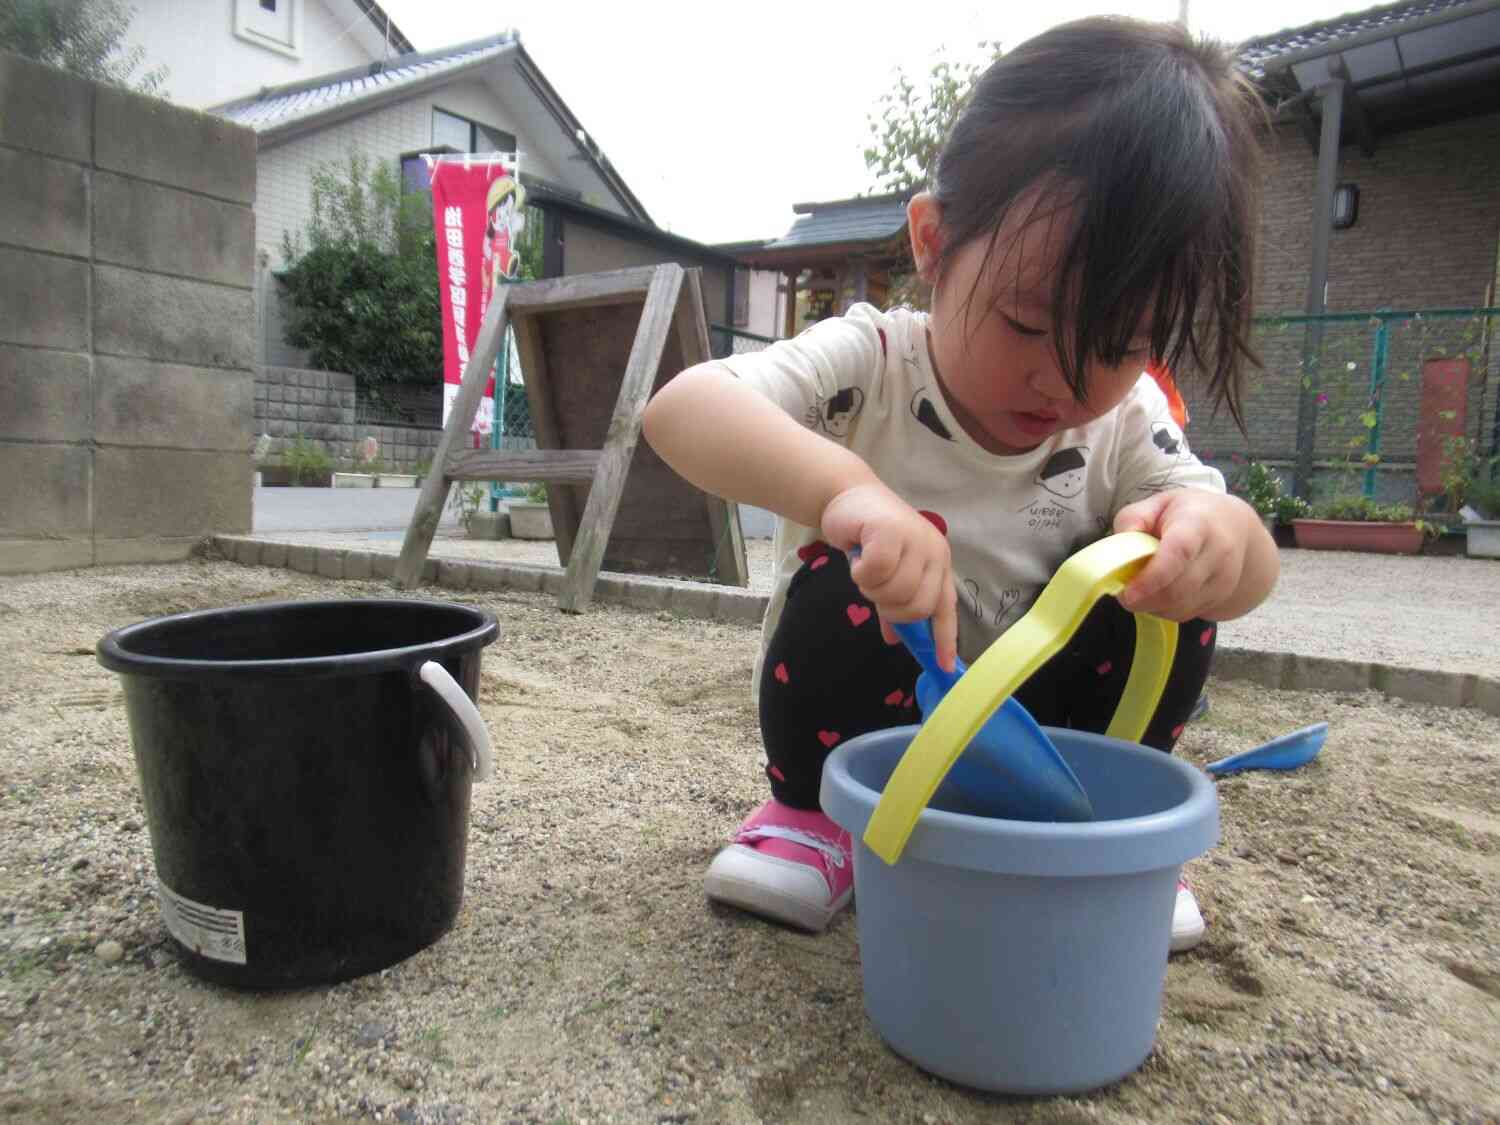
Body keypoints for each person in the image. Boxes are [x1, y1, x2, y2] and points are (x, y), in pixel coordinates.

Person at [641, 17, 1278, 953]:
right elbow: (682, 410)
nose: (1065, 381)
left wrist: (1217, 536)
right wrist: (846, 492)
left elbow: (1252, 563)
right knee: (839, 578)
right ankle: (815, 821)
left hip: (1050, 749)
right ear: (934, 244)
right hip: (870, 729)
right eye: (1028, 321)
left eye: (1118, 344)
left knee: (1173, 592)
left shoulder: (1126, 417)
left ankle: (1110, 834)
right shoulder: (872, 360)